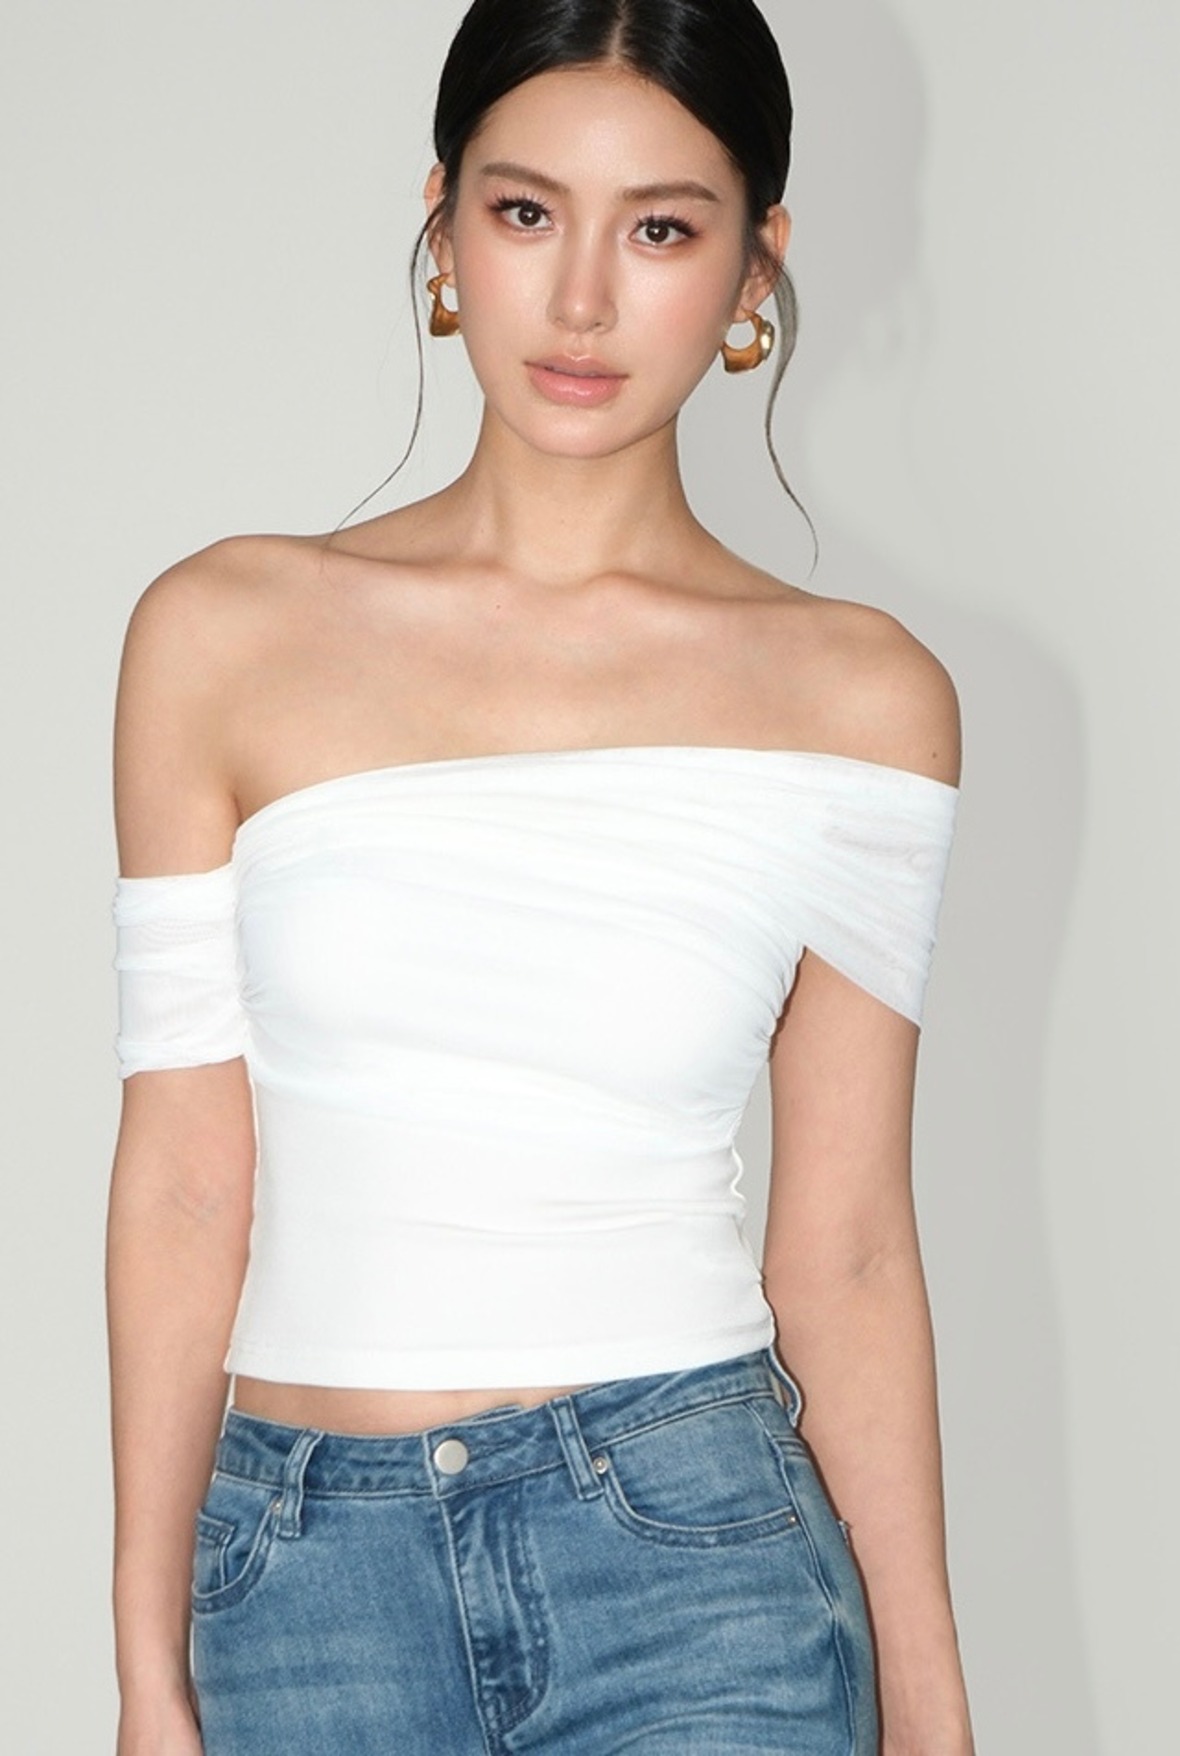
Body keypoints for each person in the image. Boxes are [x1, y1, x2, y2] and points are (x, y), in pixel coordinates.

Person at [106, 2, 974, 1752]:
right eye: (525, 213)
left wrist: (934, 1705)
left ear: (755, 265)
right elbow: (187, 1179)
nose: (581, 301)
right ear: (441, 226)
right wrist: (143, 1665)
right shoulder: (221, 638)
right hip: (304, 1584)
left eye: (659, 229)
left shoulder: (862, 699)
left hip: (697, 1562)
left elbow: (851, 1247)